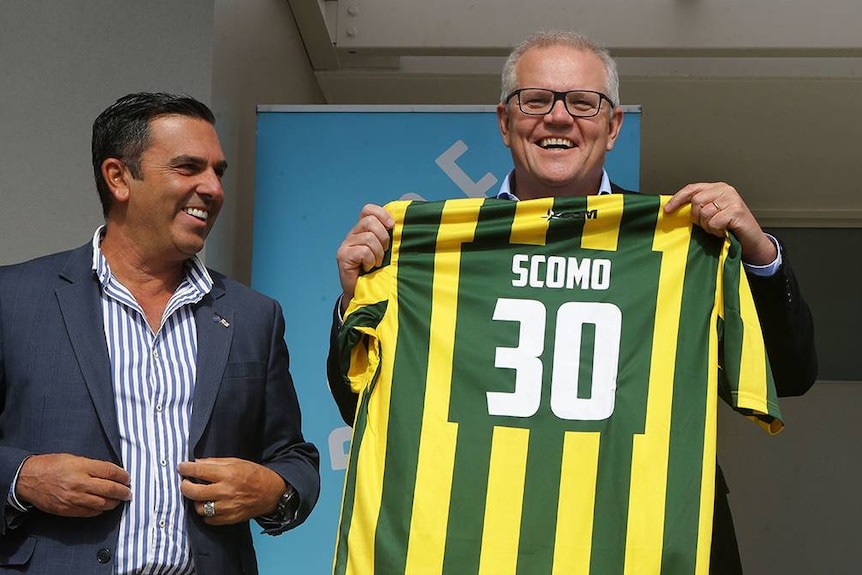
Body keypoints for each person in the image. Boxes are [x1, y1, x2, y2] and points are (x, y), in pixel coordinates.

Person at [326, 31, 816, 573]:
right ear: (504, 121)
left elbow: (789, 374)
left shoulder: (683, 244)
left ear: (614, 127)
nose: (558, 118)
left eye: (583, 102)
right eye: (536, 100)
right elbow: (365, 408)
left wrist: (758, 252)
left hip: (642, 541)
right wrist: (357, 300)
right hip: (475, 541)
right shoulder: (436, 248)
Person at [0, 92, 320, 574]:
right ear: (119, 177)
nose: (212, 188)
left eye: (218, 171)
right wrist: (22, 479)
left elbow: (292, 455)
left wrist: (272, 490)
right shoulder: (14, 298)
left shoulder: (254, 316)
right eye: (189, 167)